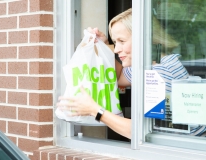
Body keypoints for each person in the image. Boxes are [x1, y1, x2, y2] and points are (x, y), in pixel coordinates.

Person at [56, 8, 189, 139]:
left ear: (145, 39)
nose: (116, 50)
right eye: (115, 42)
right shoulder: (155, 64)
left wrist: (94, 110)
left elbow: (139, 132)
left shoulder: (158, 73)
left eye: (122, 41)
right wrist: (105, 45)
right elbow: (118, 77)